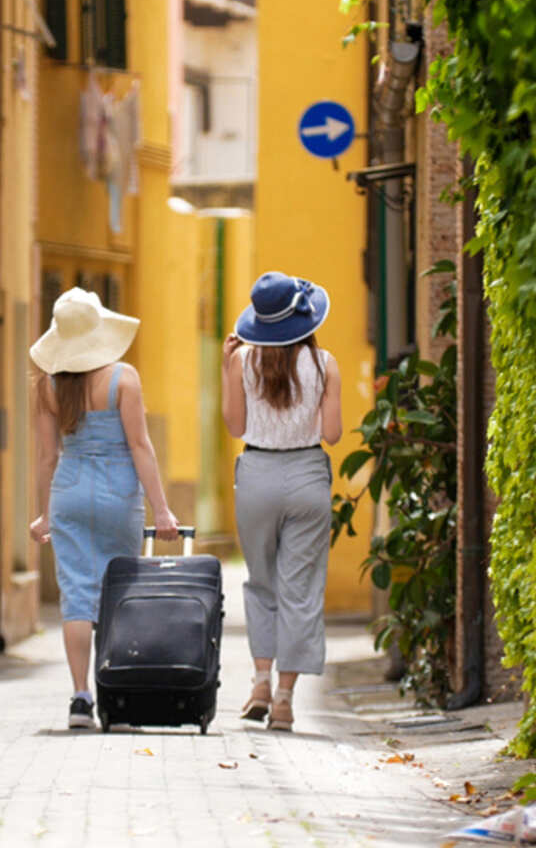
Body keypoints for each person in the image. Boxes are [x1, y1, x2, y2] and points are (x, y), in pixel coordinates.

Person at [28, 287, 179, 729]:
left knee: (77, 595)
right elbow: (140, 446)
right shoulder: (123, 379)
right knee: (117, 595)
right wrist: (162, 510)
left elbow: (46, 457)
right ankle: (117, 698)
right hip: (118, 493)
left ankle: (80, 699)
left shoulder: (47, 386)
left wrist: (43, 513)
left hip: (70, 491)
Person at [222, 271, 342, 731]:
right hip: (307, 475)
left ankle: (258, 682)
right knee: (301, 590)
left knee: (261, 583)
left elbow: (234, 426)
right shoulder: (326, 363)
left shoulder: (242, 362)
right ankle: (286, 700)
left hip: (256, 475)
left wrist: (225, 366)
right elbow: (331, 434)